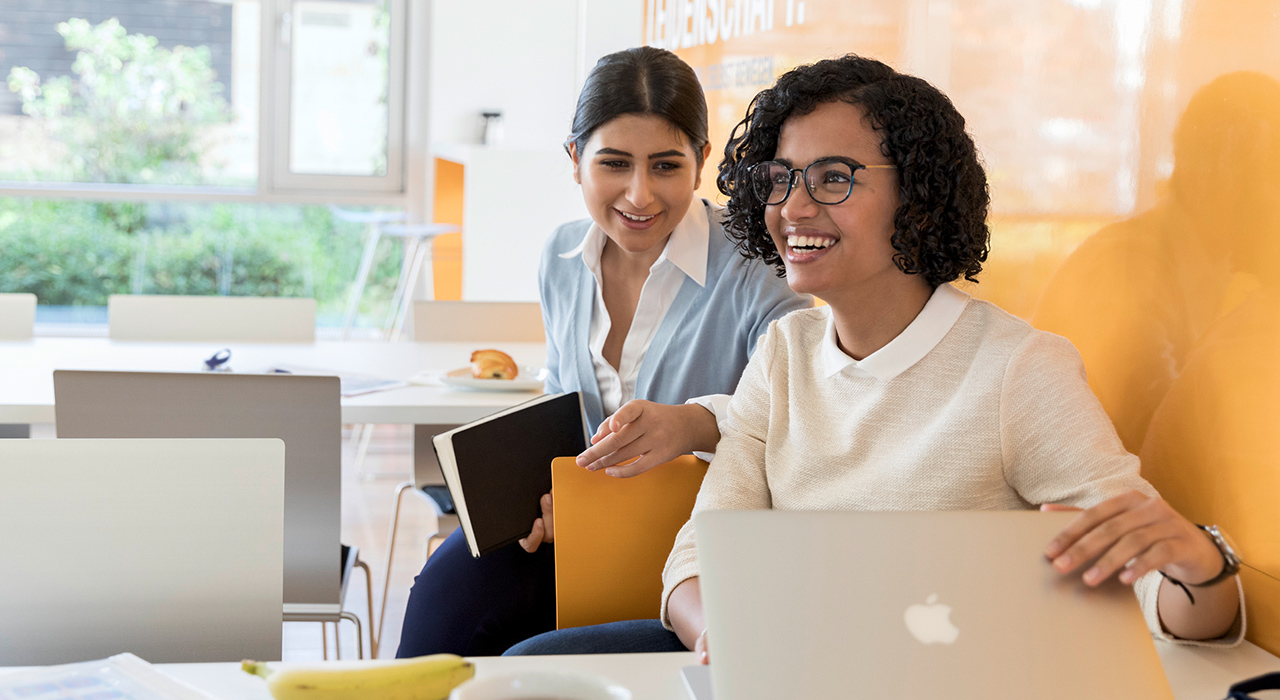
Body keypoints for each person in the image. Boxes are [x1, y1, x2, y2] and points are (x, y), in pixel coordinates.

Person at [506, 54, 1243, 657]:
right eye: (782, 178)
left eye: (833, 178)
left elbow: (1170, 597)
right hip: (775, 661)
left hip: (930, 675)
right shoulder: (784, 354)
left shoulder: (1019, 369)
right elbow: (697, 559)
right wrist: (719, 637)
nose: (793, 207)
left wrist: (1201, 570)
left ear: (918, 197)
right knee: (524, 671)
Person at [395, 46, 811, 658]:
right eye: (614, 163)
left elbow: (806, 402)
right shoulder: (562, 257)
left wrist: (694, 421)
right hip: (587, 521)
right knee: (444, 598)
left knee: (515, 653)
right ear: (575, 160)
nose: (639, 196)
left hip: (695, 535)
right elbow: (565, 409)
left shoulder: (757, 263)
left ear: (699, 161)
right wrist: (549, 492)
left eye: (666, 166)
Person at [1033, 72, 1280, 453]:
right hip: (1072, 509)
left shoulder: (1219, 269)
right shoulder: (1125, 269)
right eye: (1268, 174)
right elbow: (1170, 446)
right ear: (1211, 174)